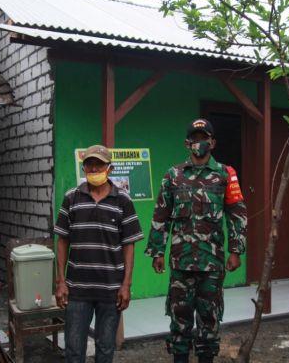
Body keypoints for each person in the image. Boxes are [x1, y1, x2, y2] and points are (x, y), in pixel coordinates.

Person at [145, 119, 248, 363]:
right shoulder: (173, 175)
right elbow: (161, 214)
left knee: (209, 322)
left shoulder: (226, 174)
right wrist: (157, 251)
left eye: (204, 138)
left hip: (211, 265)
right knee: (179, 322)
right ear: (187, 143)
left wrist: (236, 250)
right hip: (181, 263)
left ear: (213, 142)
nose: (199, 142)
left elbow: (237, 214)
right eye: (195, 138)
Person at [54, 144, 143, 363]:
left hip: (111, 291)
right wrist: (61, 282)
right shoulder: (71, 198)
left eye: (99, 165)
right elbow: (62, 240)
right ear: (83, 168)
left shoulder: (123, 200)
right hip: (77, 290)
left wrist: (126, 285)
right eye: (89, 164)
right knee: (74, 350)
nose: (94, 169)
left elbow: (129, 245)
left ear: (109, 168)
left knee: (105, 349)